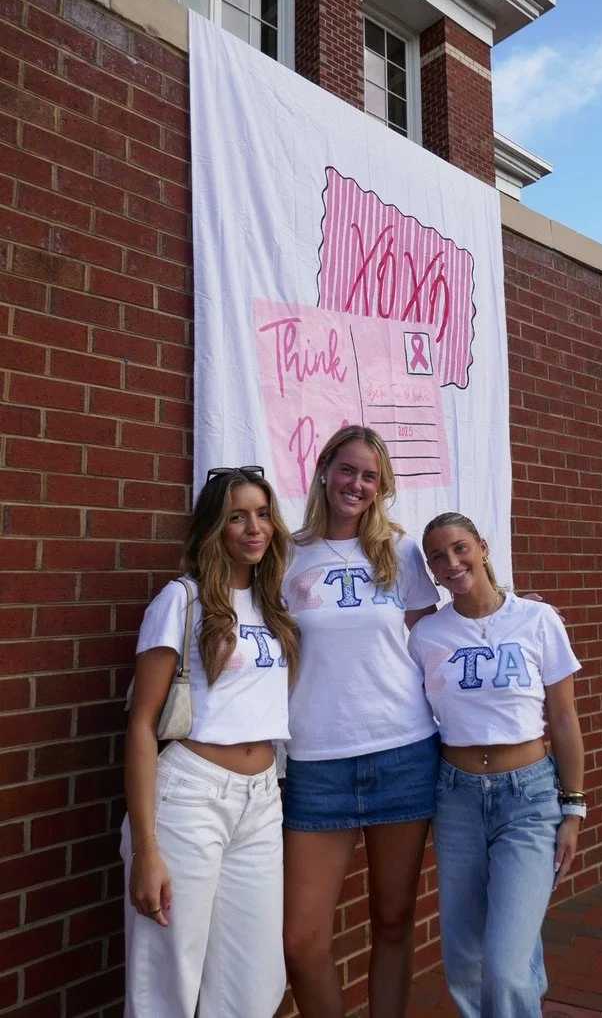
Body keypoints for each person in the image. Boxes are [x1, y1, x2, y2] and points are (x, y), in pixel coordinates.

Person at [121, 466, 298, 1018]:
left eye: (263, 514)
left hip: (263, 800)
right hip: (189, 799)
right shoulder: (182, 600)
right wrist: (146, 848)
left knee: (254, 983)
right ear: (213, 527)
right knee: (166, 984)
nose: (254, 527)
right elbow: (141, 725)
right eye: (237, 515)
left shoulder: (274, 606)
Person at [281, 425, 439, 1018]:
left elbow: (432, 645)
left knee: (394, 921)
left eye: (370, 476)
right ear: (324, 470)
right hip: (316, 763)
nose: (357, 484)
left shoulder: (400, 554)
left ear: (381, 487)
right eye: (348, 469)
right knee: (302, 939)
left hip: (402, 751)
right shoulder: (285, 553)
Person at [408, 512, 585, 1018]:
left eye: (460, 548)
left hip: (529, 796)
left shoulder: (536, 619)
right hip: (457, 797)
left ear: (482, 548)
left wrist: (573, 808)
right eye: (438, 557)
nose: (452, 562)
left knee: (505, 965)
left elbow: (565, 719)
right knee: (465, 958)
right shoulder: (427, 636)